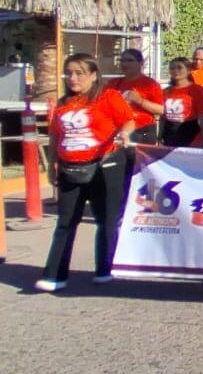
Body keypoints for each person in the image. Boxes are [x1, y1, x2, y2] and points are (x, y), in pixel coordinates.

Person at [37, 53, 135, 292]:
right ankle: (54, 275)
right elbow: (55, 136)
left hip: (105, 165)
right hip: (71, 168)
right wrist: (52, 165)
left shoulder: (108, 97)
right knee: (66, 221)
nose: (73, 78)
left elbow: (128, 120)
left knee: (106, 220)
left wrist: (124, 134)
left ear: (93, 75)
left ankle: (105, 269)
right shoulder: (63, 103)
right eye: (68, 73)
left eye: (79, 73)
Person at [106, 49, 163, 146]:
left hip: (142, 130)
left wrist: (139, 101)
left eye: (129, 60)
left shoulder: (150, 84)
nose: (124, 64)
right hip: (118, 129)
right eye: (122, 60)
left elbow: (161, 110)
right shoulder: (113, 83)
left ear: (140, 63)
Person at [160, 57, 203, 148]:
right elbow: (163, 117)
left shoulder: (197, 90)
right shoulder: (166, 91)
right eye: (172, 68)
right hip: (169, 134)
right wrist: (159, 137)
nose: (175, 71)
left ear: (188, 70)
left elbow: (202, 117)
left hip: (189, 132)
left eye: (179, 67)